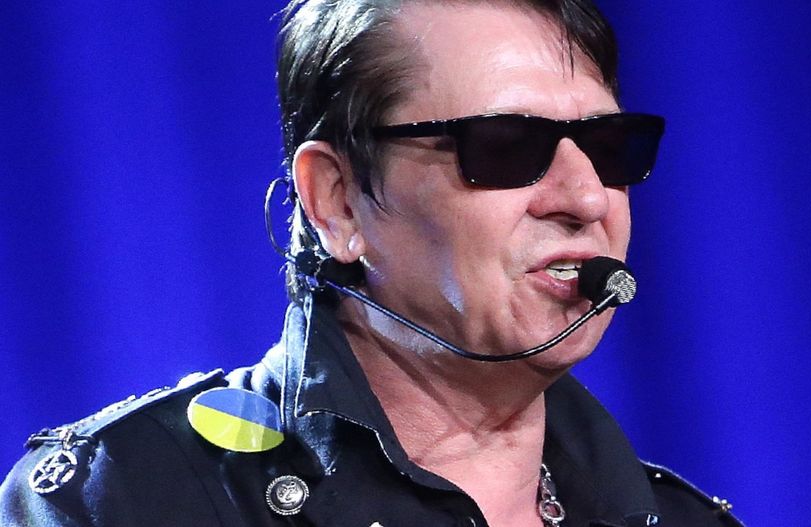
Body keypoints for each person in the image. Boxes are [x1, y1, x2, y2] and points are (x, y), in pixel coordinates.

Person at [1, 1, 743, 525]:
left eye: (610, 148)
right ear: (338, 202)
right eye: (508, 145)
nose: (585, 197)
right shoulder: (122, 500)